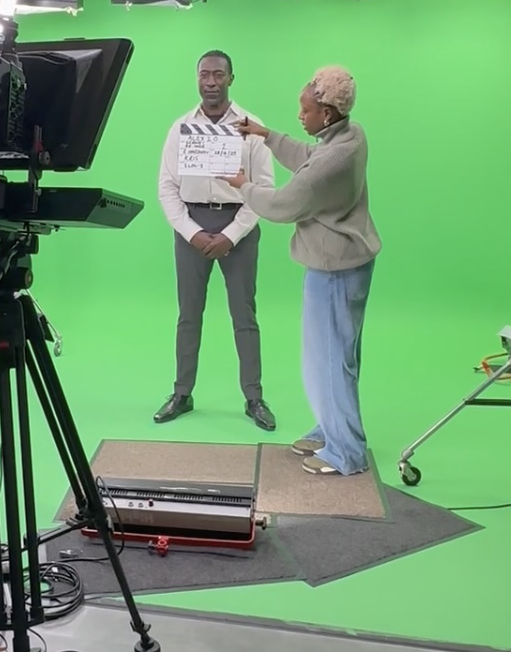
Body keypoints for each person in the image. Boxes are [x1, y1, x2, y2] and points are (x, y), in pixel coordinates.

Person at [230, 66, 380, 476]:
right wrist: (265, 135)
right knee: (337, 358)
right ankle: (332, 429)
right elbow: (308, 155)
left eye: (306, 109)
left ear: (327, 114)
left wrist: (242, 185)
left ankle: (346, 452)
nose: (300, 115)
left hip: (335, 271)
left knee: (329, 363)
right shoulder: (350, 134)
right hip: (347, 264)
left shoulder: (333, 160)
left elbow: (283, 204)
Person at [155, 50, 276, 431]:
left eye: (218, 75)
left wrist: (230, 234)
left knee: (245, 315)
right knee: (188, 315)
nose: (211, 82)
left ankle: (254, 397)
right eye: (204, 75)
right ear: (197, 79)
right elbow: (166, 188)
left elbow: (265, 189)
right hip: (190, 225)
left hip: (238, 225)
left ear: (231, 78)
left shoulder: (251, 128)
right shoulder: (179, 128)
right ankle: (182, 393)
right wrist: (190, 231)